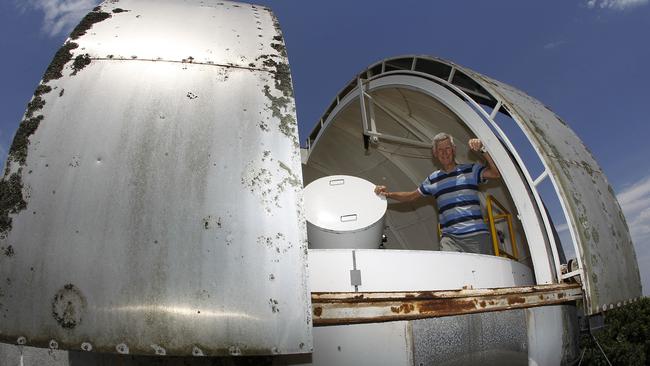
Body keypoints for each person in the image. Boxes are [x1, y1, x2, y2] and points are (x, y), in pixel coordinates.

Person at [374, 132, 501, 254]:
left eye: (448, 148)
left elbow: (496, 173)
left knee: (480, 274)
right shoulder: (433, 179)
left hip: (476, 236)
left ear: (454, 149)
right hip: (450, 239)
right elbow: (411, 196)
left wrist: (483, 149)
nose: (444, 153)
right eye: (440, 150)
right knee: (449, 273)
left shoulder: (471, 170)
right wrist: (388, 194)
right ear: (435, 153)